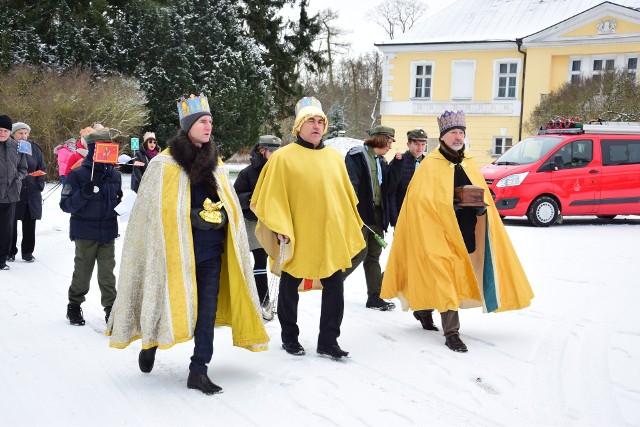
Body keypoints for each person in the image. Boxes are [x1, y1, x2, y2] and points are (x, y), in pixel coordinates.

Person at [106, 93, 269, 395]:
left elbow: (229, 203)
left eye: (210, 121)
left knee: (206, 314)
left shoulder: (216, 162)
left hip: (211, 252)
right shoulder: (163, 165)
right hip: (172, 254)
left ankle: (198, 371)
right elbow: (152, 213)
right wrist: (189, 216)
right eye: (202, 121)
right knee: (162, 301)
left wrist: (222, 218)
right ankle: (151, 344)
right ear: (188, 125)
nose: (208, 126)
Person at [381, 111, 534, 352]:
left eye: (461, 132)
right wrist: (447, 204)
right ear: (442, 137)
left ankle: (422, 309)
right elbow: (419, 200)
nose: (458, 136)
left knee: (452, 276)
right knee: (445, 278)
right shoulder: (430, 165)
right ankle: (452, 333)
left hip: (465, 230)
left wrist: (482, 210)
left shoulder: (469, 162)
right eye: (453, 132)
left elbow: (479, 193)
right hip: (436, 233)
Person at [251, 97, 365, 359]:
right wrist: (280, 226)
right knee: (290, 287)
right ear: (298, 127)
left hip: (328, 235)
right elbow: (272, 197)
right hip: (297, 235)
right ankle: (289, 338)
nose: (317, 125)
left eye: (321, 121)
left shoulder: (334, 158)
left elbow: (346, 196)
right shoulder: (282, 158)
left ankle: (328, 340)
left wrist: (347, 223)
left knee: (335, 286)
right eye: (311, 121)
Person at [60, 129, 122, 326]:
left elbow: (115, 200)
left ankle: (111, 309)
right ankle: (74, 305)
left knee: (107, 274)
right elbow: (66, 205)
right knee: (82, 272)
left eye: (110, 146)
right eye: (102, 146)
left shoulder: (115, 175)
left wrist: (120, 202)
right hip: (85, 232)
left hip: (108, 232)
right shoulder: (78, 174)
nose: (107, 150)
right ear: (94, 148)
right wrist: (84, 193)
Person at [386, 128, 438, 331]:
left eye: (423, 143)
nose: (419, 147)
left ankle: (423, 308)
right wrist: (395, 219)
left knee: (425, 264)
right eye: (416, 143)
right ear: (408, 144)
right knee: (407, 263)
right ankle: (401, 291)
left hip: (425, 222)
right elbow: (391, 192)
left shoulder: (429, 164)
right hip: (404, 219)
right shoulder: (400, 162)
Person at [342, 126, 395, 311]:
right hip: (361, 213)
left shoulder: (382, 161)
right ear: (380, 139)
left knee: (374, 255)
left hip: (378, 214)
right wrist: (353, 212)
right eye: (389, 141)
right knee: (359, 252)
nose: (390, 146)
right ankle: (332, 283)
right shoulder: (356, 156)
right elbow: (351, 185)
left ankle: (375, 296)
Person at [233, 134, 282, 312]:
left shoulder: (281, 169)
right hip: (252, 222)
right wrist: (254, 199)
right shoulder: (248, 172)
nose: (276, 154)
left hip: (274, 223)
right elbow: (235, 196)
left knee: (273, 260)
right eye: (272, 151)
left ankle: (265, 299)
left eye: (278, 150)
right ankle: (263, 300)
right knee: (259, 260)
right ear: (262, 151)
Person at [8, 122, 46, 263]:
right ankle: (9, 252)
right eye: (20, 133)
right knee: (10, 223)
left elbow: (42, 166)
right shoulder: (8, 147)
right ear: (13, 134)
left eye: (25, 133)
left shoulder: (34, 148)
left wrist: (39, 184)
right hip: (13, 190)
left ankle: (28, 252)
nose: (23, 136)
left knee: (30, 223)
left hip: (31, 190)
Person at [0, 115, 28, 271]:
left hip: (10, 194)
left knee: (6, 229)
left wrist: (18, 178)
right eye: (0, 130)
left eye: (5, 130)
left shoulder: (17, 147)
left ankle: (2, 260)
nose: (2, 133)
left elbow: (23, 168)